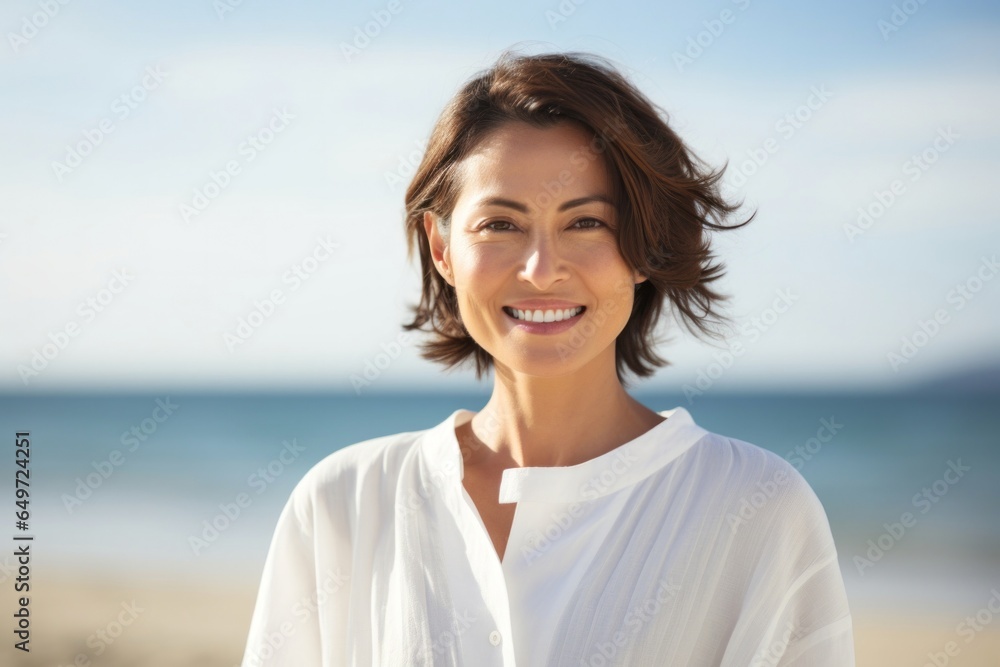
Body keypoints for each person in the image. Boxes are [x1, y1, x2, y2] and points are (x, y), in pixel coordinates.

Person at [240, 49, 855, 666]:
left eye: (586, 222)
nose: (540, 271)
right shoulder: (344, 503)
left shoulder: (758, 509)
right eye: (499, 225)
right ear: (442, 248)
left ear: (645, 246)